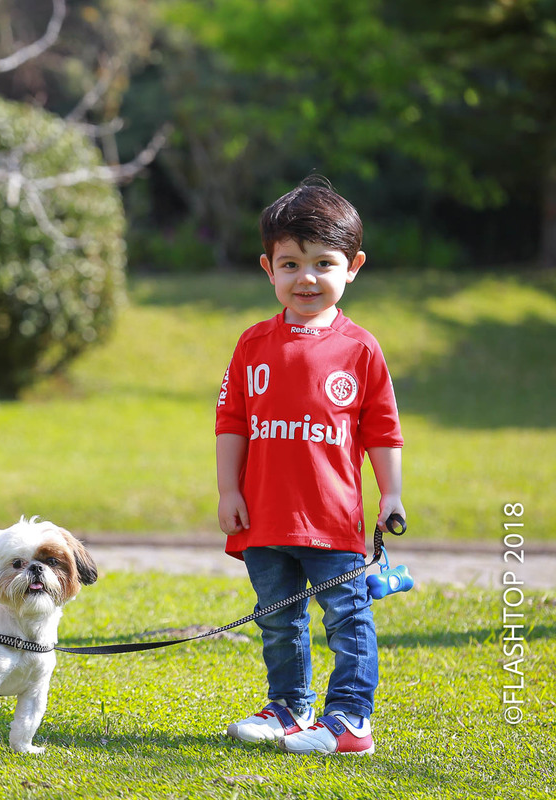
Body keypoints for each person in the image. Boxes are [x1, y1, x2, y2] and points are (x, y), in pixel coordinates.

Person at [214, 177, 405, 756]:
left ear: (353, 267)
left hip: (332, 519)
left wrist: (390, 494)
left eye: (324, 263)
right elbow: (232, 423)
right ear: (268, 268)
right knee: (278, 621)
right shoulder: (252, 345)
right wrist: (229, 491)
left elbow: (382, 430)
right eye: (290, 263)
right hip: (265, 517)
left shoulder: (361, 350)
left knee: (347, 619)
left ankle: (349, 720)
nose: (306, 278)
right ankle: (289, 708)